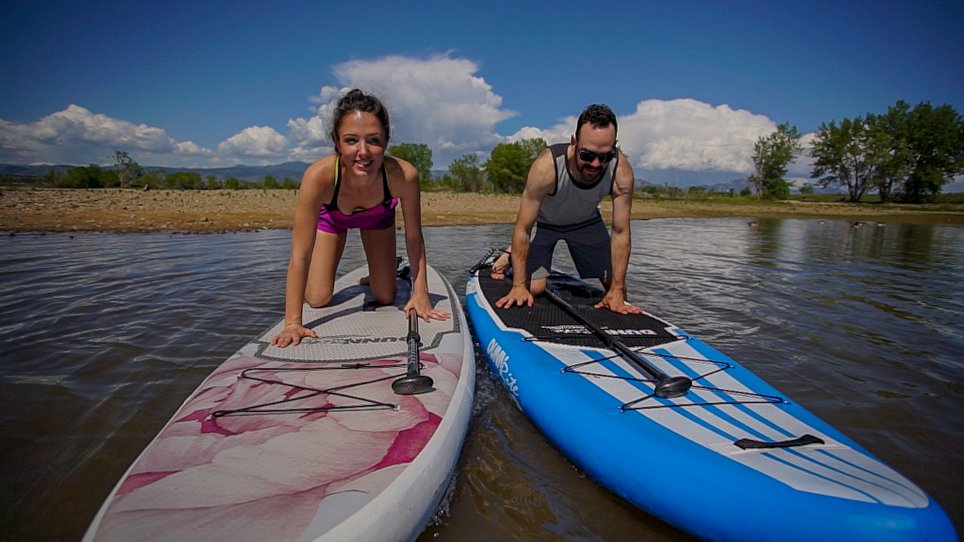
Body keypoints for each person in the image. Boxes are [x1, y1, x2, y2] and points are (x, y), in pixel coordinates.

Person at [272, 89, 448, 348]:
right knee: (318, 298)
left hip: (378, 220)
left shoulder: (404, 175)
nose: (363, 152)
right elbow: (300, 255)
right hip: (333, 221)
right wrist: (292, 323)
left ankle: (383, 272)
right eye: (351, 140)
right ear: (337, 142)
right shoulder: (317, 177)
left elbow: (413, 236)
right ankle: (372, 269)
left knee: (386, 296)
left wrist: (419, 293)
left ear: (386, 141)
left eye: (374, 140)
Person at [495, 103, 641, 315]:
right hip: (544, 223)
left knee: (616, 286)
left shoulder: (621, 170)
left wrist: (617, 290)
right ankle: (508, 255)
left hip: (585, 222)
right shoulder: (547, 167)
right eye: (588, 155)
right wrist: (518, 287)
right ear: (574, 142)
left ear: (614, 147)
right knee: (535, 288)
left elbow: (621, 232)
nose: (596, 164)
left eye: (605, 157)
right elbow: (523, 228)